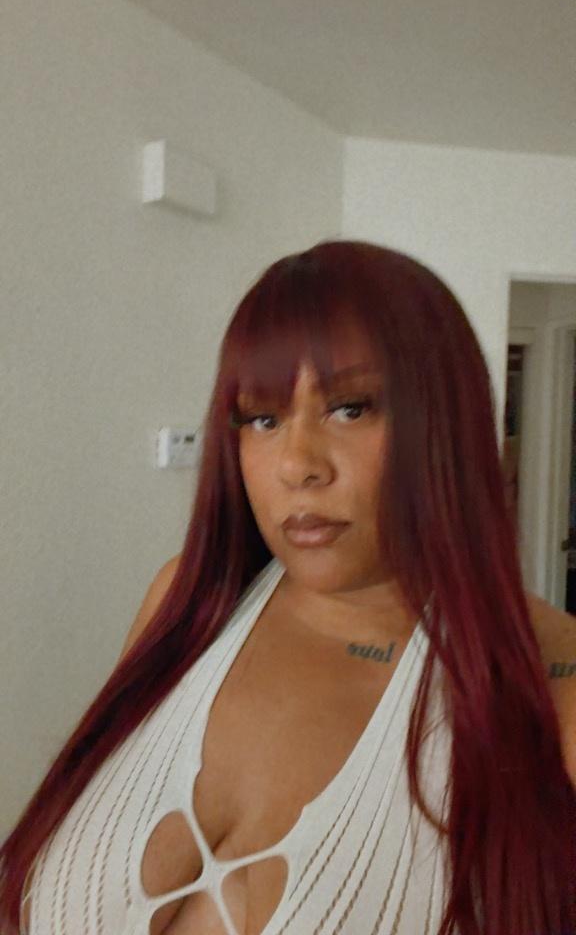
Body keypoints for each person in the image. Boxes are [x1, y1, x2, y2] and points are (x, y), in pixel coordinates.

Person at [1, 239, 575, 935]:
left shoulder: (552, 679)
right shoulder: (184, 606)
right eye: (263, 419)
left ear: (446, 422)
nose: (297, 465)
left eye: (351, 408)